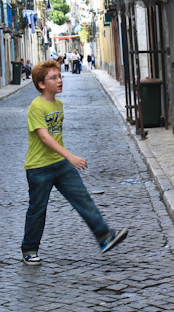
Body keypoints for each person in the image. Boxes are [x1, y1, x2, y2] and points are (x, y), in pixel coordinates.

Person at [21, 60, 128, 265]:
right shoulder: (36, 106)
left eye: (59, 76)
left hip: (60, 165)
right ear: (41, 84)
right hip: (39, 168)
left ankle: (104, 237)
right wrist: (70, 156)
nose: (60, 80)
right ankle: (29, 249)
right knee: (38, 209)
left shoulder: (58, 104)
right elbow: (44, 137)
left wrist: (65, 159)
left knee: (83, 199)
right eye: (53, 78)